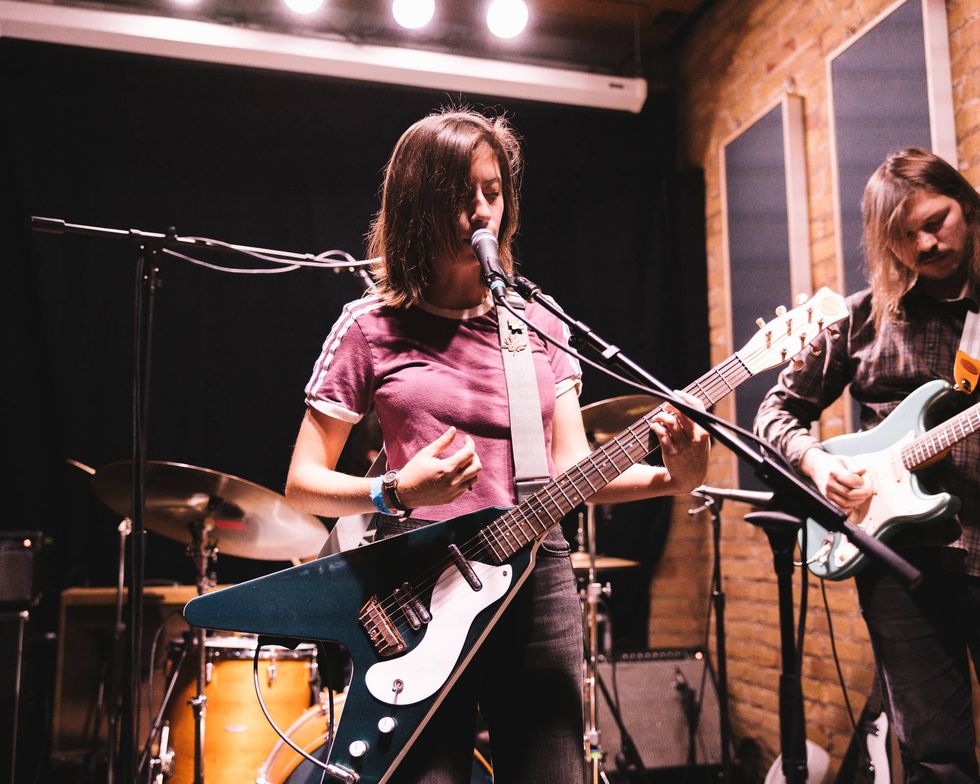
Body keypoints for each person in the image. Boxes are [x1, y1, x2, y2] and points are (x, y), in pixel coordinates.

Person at [284, 107, 710, 783]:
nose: (481, 211)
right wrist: (395, 490)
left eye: (492, 191)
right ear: (417, 205)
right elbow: (303, 482)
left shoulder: (538, 323)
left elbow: (573, 470)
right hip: (420, 587)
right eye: (461, 196)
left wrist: (672, 479)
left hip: (537, 579)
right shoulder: (369, 326)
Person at [754, 147, 980, 782]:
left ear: (965, 205)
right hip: (899, 566)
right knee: (934, 755)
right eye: (905, 237)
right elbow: (774, 413)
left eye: (935, 222)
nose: (926, 244)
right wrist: (815, 461)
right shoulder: (860, 319)